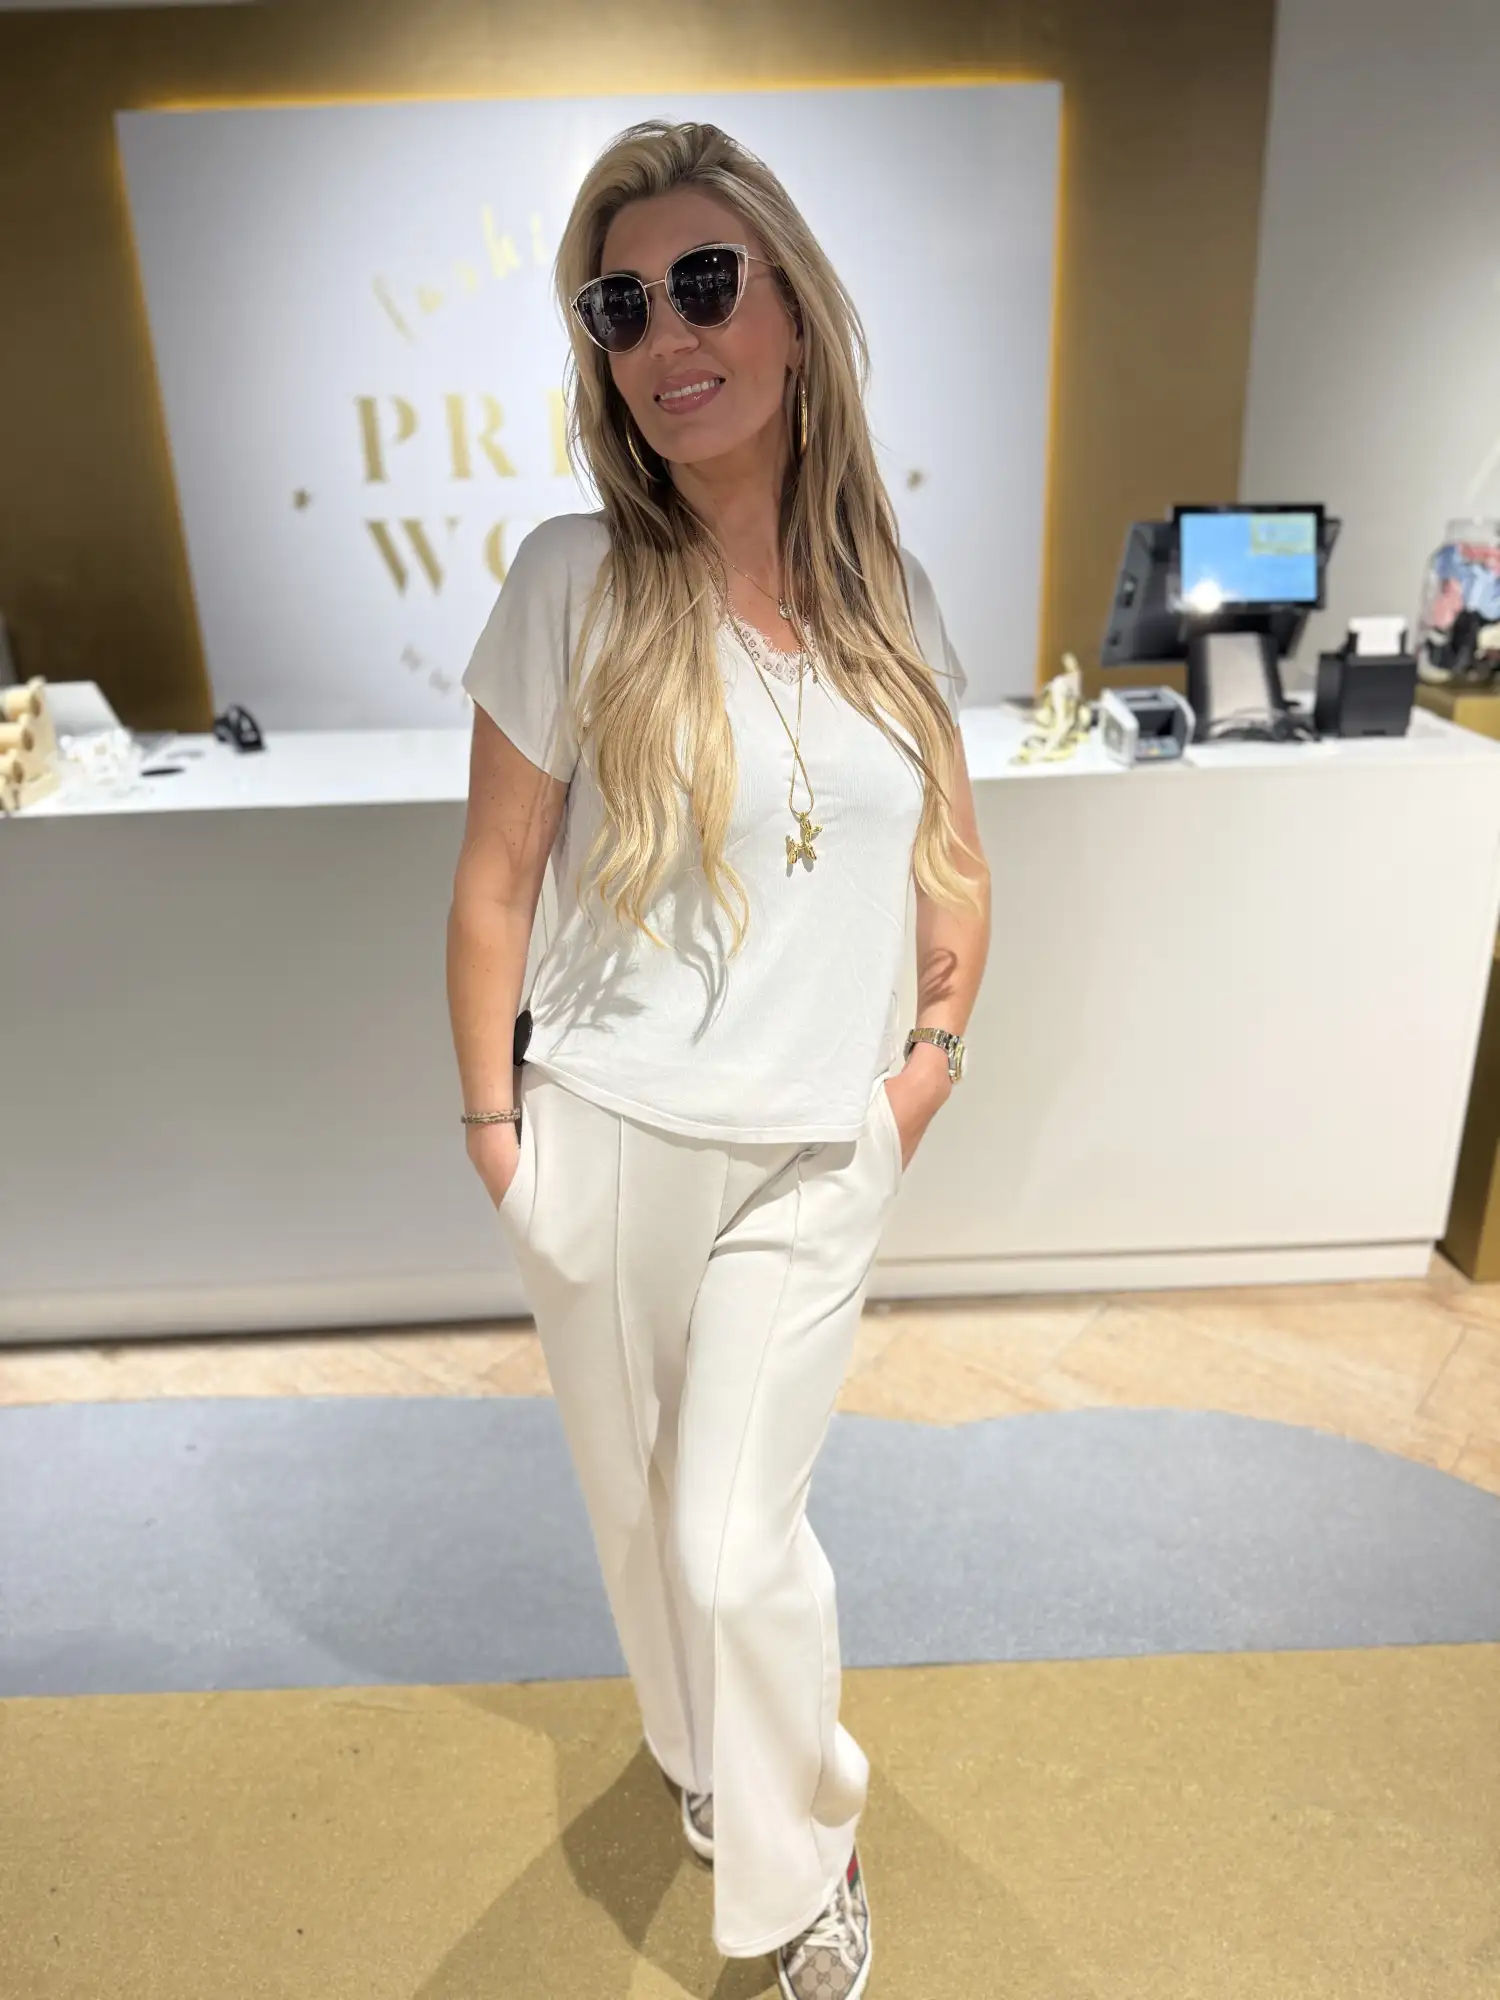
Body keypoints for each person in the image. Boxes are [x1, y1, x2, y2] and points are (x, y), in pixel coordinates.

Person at [446, 117, 990, 2000]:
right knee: (639, 1521)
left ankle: (801, 1844)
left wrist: (926, 1065)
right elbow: (494, 879)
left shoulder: (891, 595)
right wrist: (499, 1135)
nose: (666, 334)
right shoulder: (573, 578)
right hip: (603, 1132)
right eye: (620, 307)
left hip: (819, 1149)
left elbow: (954, 860)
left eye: (702, 283)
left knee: (735, 1540)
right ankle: (698, 1757)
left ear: (792, 308)